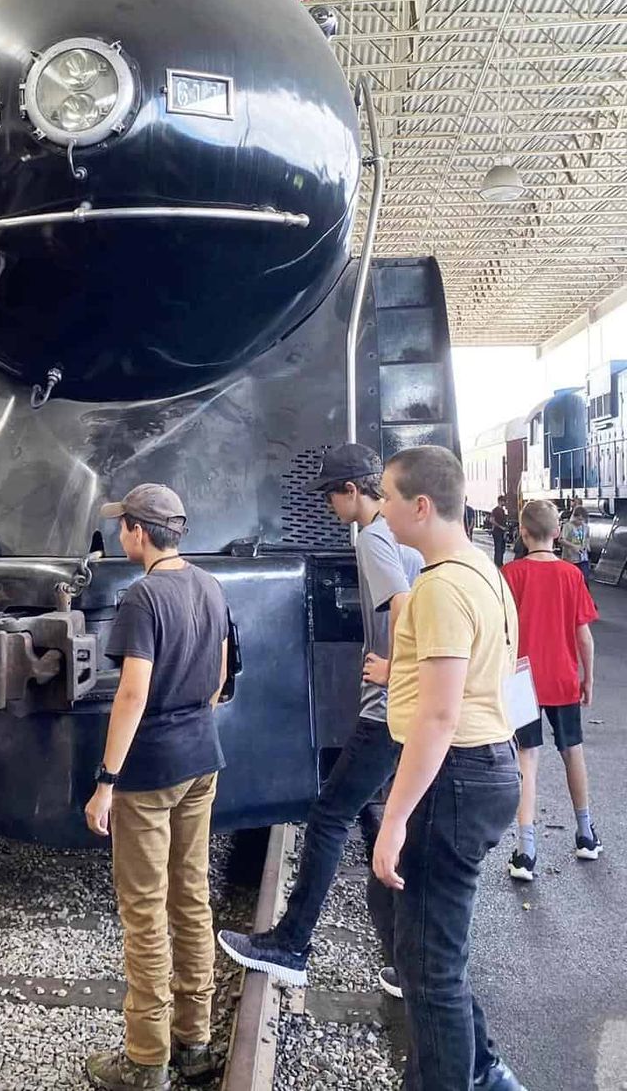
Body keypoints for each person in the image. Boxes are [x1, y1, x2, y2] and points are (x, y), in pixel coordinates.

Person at [216, 443, 421, 999]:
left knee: (331, 814)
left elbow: (404, 608)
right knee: (380, 822)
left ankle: (292, 944)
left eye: (332, 494)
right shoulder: (402, 533)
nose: (329, 505)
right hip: (410, 710)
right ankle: (409, 963)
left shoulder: (376, 538)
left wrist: (393, 667)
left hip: (386, 713)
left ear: (354, 490)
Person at [374, 445, 526, 1091]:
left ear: (421, 505)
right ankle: (482, 1067)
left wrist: (394, 819)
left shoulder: (438, 587)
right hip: (485, 765)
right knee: (401, 919)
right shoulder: (483, 570)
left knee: (432, 968)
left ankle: (458, 1078)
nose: (379, 510)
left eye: (385, 498)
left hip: (456, 775)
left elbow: (438, 715)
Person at [84, 484, 229, 1091]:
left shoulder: (142, 597)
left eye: (124, 527)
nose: (121, 535)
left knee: (144, 909)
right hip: (203, 758)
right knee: (190, 896)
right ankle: (193, 1041)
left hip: (150, 771)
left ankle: (146, 1059)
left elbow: (133, 691)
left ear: (140, 532)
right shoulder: (209, 585)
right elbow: (221, 677)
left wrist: (106, 780)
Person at [502, 500, 601, 881]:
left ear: (523, 533)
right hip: (562, 677)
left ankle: (526, 851)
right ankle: (586, 834)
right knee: (572, 752)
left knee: (527, 758)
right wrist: (587, 679)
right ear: (557, 533)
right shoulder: (571, 576)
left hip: (520, 680)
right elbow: (584, 637)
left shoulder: (510, 574)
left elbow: (502, 634)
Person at [559, 505, 591, 588]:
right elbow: (561, 539)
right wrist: (573, 547)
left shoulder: (586, 527)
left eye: (583, 520)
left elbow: (587, 537)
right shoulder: (568, 526)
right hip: (570, 559)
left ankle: (585, 598)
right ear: (574, 516)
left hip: (583, 558)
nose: (581, 522)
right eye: (579, 519)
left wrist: (587, 546)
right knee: (571, 581)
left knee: (584, 579)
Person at [490, 494, 508, 567]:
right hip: (497, 532)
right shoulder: (495, 510)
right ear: (500, 501)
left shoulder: (503, 511)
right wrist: (500, 527)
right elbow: (491, 520)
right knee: (498, 548)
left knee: (502, 548)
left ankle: (500, 562)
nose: (504, 503)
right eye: (503, 501)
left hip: (502, 532)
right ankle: (497, 564)